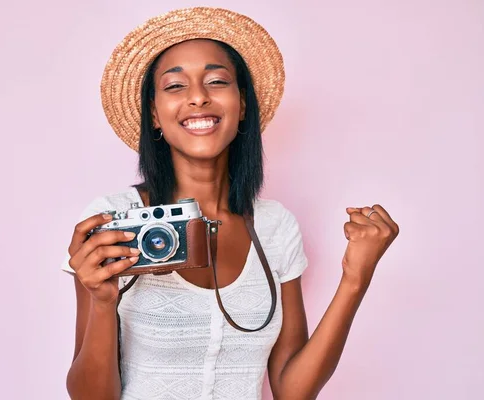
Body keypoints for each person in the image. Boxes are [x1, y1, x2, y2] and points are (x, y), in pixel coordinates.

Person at [61, 7, 399, 400]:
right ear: (154, 114)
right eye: (175, 86)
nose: (198, 97)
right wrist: (103, 303)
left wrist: (355, 278)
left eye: (217, 81)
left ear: (242, 106)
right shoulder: (113, 222)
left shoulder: (276, 226)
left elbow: (293, 391)